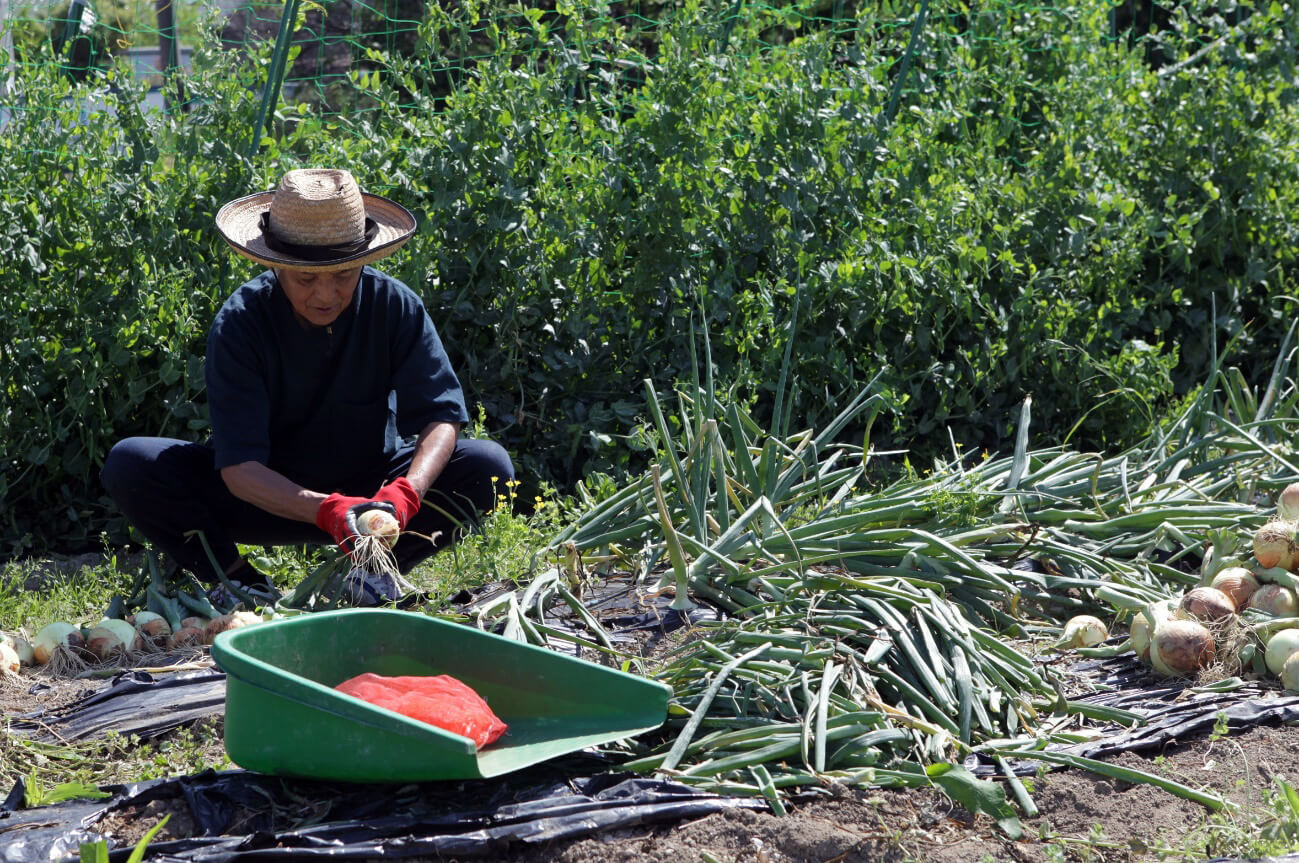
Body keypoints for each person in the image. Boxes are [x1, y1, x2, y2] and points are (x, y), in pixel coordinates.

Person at [101, 168, 514, 606]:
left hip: (372, 494)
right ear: (276, 265)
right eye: (307, 279)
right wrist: (325, 509)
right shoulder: (241, 323)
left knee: (488, 464)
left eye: (343, 275)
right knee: (132, 463)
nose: (326, 295)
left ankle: (369, 574)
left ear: (364, 261)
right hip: (266, 493)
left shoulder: (394, 305)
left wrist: (406, 492)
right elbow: (239, 469)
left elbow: (442, 414)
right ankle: (240, 581)